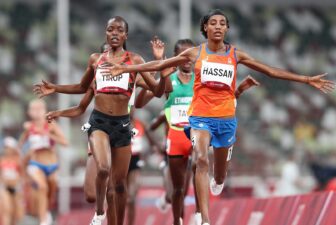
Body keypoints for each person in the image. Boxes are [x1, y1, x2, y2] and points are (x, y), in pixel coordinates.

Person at [100, 9, 335, 225]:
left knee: (219, 176)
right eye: (213, 23)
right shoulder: (195, 53)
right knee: (201, 159)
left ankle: (218, 179)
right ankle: (205, 220)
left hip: (226, 119)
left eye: (223, 23)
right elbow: (162, 63)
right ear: (206, 28)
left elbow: (270, 70)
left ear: (227, 29)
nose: (218, 27)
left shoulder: (235, 54)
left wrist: (306, 79)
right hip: (201, 116)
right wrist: (126, 69)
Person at [35, 16, 170, 225]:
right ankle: (99, 213)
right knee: (104, 168)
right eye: (110, 29)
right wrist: (56, 87)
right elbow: (82, 87)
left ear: (126, 35)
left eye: (119, 30)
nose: (114, 33)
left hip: (123, 125)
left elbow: (158, 92)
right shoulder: (96, 59)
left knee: (119, 185)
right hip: (99, 121)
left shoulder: (136, 61)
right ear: (106, 33)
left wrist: (161, 66)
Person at [134, 38, 260, 225]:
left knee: (199, 162)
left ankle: (200, 214)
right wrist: (155, 74)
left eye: (189, 55)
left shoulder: (202, 79)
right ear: (177, 57)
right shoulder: (168, 80)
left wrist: (240, 88)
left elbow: (223, 101)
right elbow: (140, 103)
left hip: (196, 132)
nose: (187, 60)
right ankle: (175, 214)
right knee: (177, 191)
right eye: (182, 55)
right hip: (175, 138)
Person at [18, 99, 68, 225]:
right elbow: (19, 145)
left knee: (52, 184)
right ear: (29, 112)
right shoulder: (29, 127)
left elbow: (65, 142)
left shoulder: (51, 125)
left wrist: (47, 134)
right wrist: (26, 155)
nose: (36, 112)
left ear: (45, 111)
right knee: (42, 187)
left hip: (51, 164)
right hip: (35, 164)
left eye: (39, 109)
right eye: (33, 109)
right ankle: (43, 220)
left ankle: (46, 210)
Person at [0, 137, 24, 225]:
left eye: (8, 147)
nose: (7, 149)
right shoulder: (2, 160)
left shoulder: (18, 160)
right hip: (5, 187)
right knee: (7, 210)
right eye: (5, 147)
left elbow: (22, 175)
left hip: (16, 188)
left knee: (17, 213)